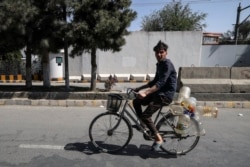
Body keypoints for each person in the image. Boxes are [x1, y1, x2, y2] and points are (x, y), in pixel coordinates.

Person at [133, 40, 177, 151]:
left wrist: (146, 92)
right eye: (157, 52)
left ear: (166, 52)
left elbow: (161, 83)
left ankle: (158, 139)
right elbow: (154, 81)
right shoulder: (159, 65)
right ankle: (143, 124)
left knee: (146, 115)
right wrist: (139, 88)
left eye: (161, 52)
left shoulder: (167, 64)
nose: (159, 54)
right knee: (136, 101)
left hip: (165, 95)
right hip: (158, 93)